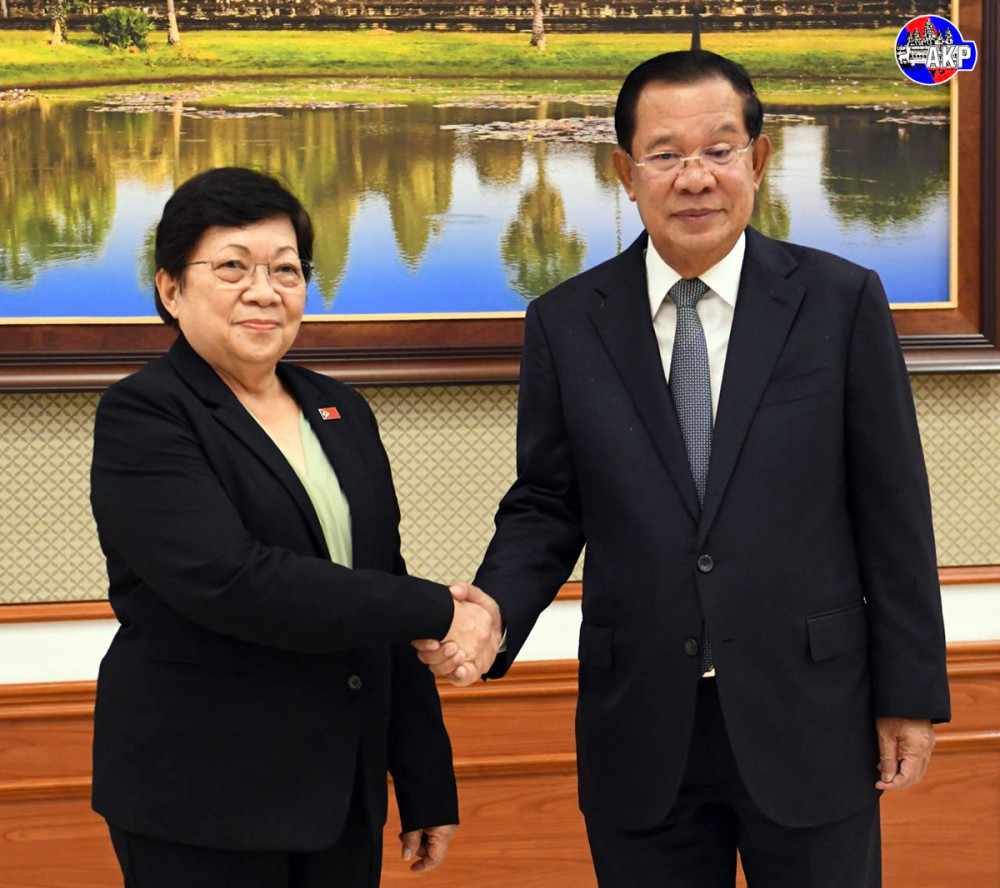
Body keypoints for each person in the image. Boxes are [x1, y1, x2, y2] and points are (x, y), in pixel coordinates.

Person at [415, 51, 950, 887]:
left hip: (810, 715)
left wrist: (909, 692)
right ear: (625, 174)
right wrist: (492, 612)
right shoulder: (566, 321)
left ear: (758, 160)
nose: (695, 177)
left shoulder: (839, 301)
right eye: (665, 155)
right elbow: (548, 503)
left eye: (719, 150)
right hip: (640, 720)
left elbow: (893, 510)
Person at [89, 167, 497, 888]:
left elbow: (380, 586)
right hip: (203, 799)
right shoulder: (145, 414)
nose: (265, 290)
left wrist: (426, 779)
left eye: (286, 269)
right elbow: (233, 580)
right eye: (232, 267)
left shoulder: (340, 411)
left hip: (341, 794)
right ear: (171, 290)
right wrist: (442, 608)